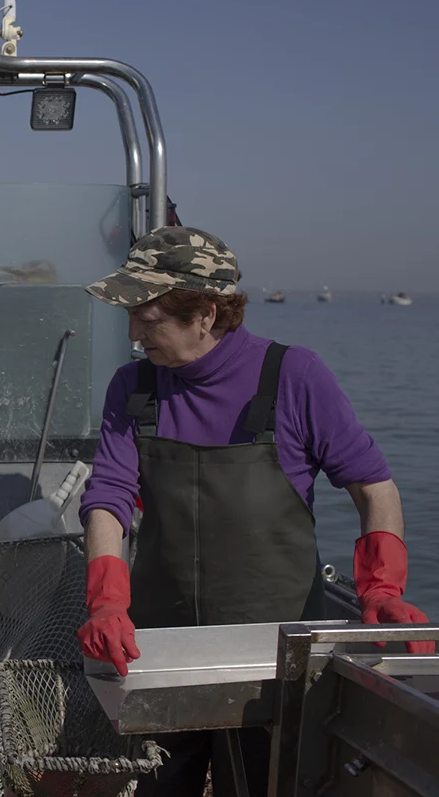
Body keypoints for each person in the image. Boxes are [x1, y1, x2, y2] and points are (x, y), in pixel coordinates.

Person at [75, 227, 432, 797]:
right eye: (130, 316)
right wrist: (107, 601)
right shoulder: (132, 387)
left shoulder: (295, 377)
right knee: (163, 783)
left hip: (278, 655)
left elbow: (374, 489)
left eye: (149, 317)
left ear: (206, 313)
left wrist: (381, 588)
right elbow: (109, 498)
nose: (135, 334)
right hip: (161, 651)